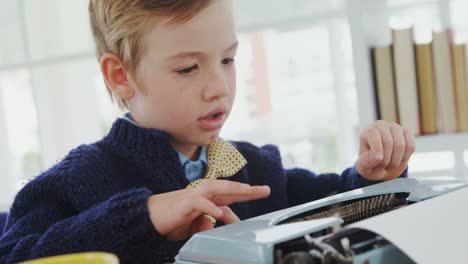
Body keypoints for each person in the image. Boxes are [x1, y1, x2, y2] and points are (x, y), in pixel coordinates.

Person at [0, 0, 415, 263]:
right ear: (120, 75)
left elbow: (337, 208)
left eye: (228, 60)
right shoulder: (78, 179)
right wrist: (144, 217)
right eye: (188, 68)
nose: (219, 86)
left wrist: (371, 178)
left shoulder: (254, 165)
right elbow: (15, 253)